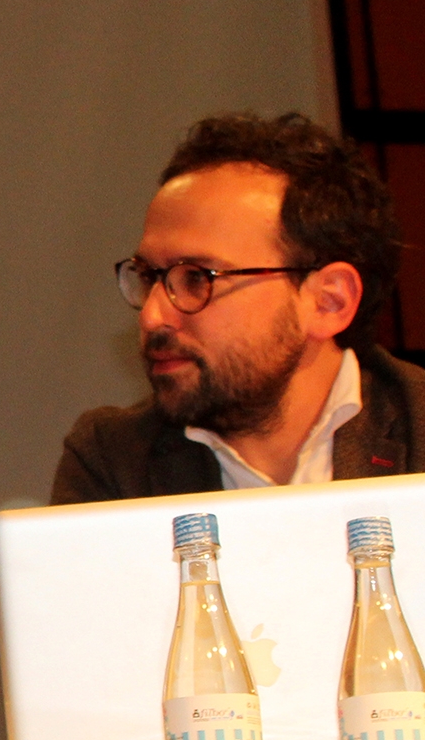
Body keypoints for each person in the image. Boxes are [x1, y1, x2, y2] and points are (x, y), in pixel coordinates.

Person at [51, 112, 424, 503]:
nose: (152, 316)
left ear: (329, 301)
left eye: (196, 278)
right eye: (148, 276)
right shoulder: (115, 461)